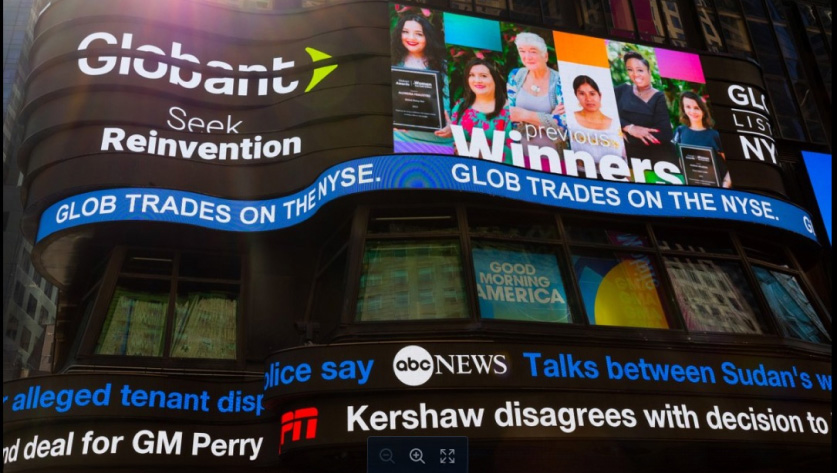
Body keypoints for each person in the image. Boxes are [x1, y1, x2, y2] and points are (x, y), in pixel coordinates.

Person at [390, 14, 452, 152]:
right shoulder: (392, 64)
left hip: (439, 142)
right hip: (402, 140)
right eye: (405, 32)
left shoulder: (444, 67)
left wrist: (452, 126)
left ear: (427, 38)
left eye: (418, 34)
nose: (411, 38)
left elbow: (457, 106)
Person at [506, 32, 567, 170]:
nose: (527, 57)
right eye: (522, 51)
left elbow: (563, 125)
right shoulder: (515, 75)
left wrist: (523, 115)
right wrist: (549, 117)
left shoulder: (560, 82)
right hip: (520, 154)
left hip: (553, 156)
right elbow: (510, 116)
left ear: (545, 56)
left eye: (533, 52)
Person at [437, 59, 511, 161]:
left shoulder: (510, 112)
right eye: (472, 75)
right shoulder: (461, 105)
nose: (477, 80)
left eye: (483, 76)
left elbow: (513, 152)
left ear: (496, 78)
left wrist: (474, 151)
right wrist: (449, 132)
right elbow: (452, 145)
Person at [614, 51, 673, 164]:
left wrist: (627, 138)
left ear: (649, 72)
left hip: (658, 159)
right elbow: (606, 113)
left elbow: (664, 133)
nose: (635, 75)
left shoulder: (660, 98)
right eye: (630, 70)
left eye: (640, 70)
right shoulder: (621, 90)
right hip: (625, 157)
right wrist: (629, 128)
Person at [674, 91, 732, 188]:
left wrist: (725, 185)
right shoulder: (680, 131)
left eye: (696, 108)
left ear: (703, 111)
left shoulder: (714, 135)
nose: (692, 111)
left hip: (717, 189)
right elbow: (678, 160)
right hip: (691, 189)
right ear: (683, 108)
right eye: (688, 107)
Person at [568, 75, 625, 165]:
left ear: (600, 95)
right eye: (582, 94)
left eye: (592, 93)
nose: (588, 99)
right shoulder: (569, 119)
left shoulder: (616, 125)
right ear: (576, 96)